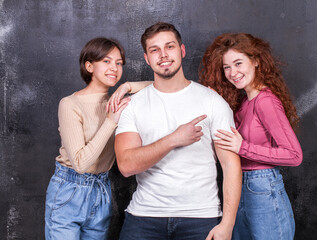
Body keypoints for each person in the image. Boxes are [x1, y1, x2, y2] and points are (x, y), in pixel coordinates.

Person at [114, 22, 242, 240]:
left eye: (170, 47)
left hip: (201, 218)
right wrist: (173, 139)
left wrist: (227, 224)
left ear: (182, 51)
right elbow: (126, 165)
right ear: (147, 58)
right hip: (144, 217)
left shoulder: (212, 102)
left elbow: (230, 165)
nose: (163, 55)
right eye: (155, 50)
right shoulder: (133, 105)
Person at [199, 33, 303, 240]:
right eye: (226, 67)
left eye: (238, 63)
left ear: (255, 61)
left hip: (262, 187)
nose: (232, 72)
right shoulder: (246, 101)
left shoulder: (265, 101)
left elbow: (294, 155)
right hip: (240, 185)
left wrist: (242, 147)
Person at [44, 37, 130, 240]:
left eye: (119, 63)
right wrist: (110, 121)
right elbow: (80, 163)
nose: (114, 68)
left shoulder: (117, 101)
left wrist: (126, 87)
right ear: (89, 66)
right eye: (106, 61)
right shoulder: (70, 104)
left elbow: (157, 83)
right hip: (69, 190)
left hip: (101, 190)